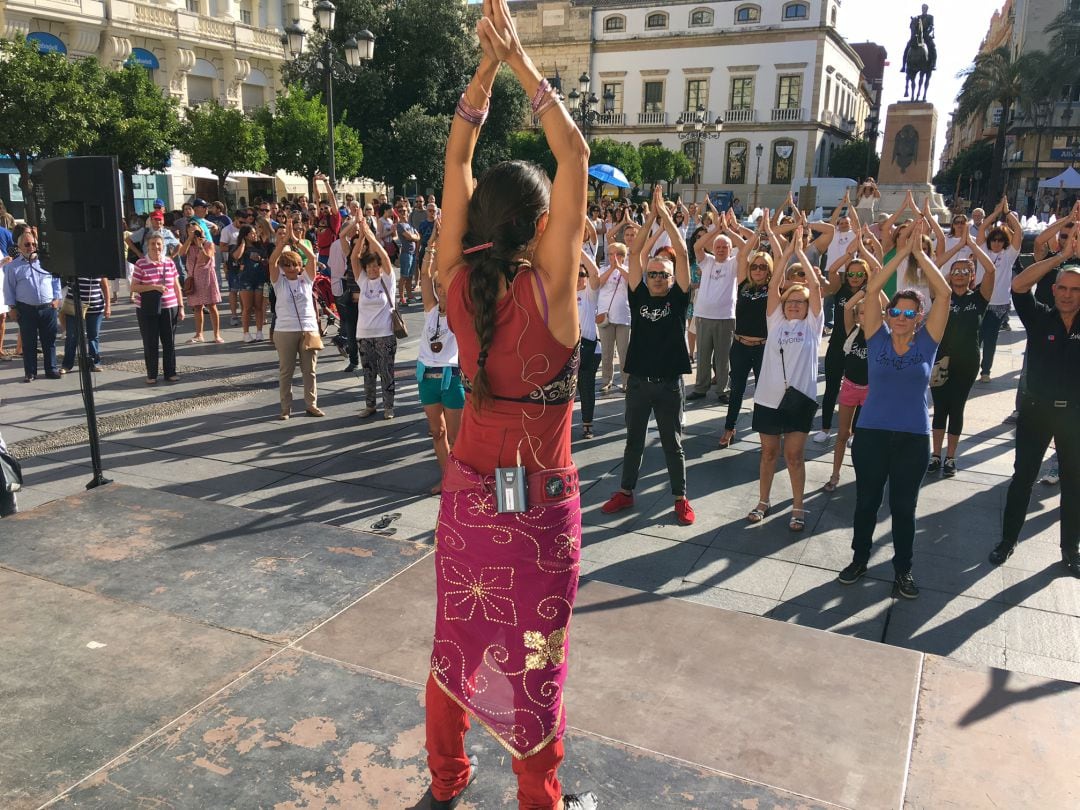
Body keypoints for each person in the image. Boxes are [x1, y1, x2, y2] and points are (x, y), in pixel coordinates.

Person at [424, 1, 597, 807]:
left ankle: (448, 778)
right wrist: (521, 58)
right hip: (539, 512)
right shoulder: (553, 293)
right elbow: (577, 151)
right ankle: (538, 800)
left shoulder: (459, 282)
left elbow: (456, 155)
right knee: (538, 657)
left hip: (466, 498)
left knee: (455, 643)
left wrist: (484, 70)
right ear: (540, 228)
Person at [838, 220, 951, 598]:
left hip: (913, 438)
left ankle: (903, 570)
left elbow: (945, 294)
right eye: (896, 313)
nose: (901, 319)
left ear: (919, 319)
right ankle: (859, 559)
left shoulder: (926, 344)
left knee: (904, 508)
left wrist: (920, 254)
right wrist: (899, 253)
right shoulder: (877, 338)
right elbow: (872, 289)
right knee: (866, 502)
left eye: (909, 314)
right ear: (888, 316)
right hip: (871, 434)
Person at [602, 186, 696, 526]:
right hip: (640, 382)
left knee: (673, 444)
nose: (657, 278)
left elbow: (683, 254)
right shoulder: (638, 295)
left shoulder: (679, 298)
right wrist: (650, 217)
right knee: (633, 442)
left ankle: (680, 498)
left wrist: (666, 216)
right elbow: (636, 251)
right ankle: (626, 492)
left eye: (663, 274)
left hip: (669, 383)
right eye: (653, 273)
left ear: (672, 279)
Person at [988, 233, 1080, 578]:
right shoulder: (1040, 317)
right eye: (1063, 288)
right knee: (1022, 478)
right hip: (1036, 411)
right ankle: (1007, 540)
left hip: (1075, 415)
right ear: (1054, 290)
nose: (1068, 295)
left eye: (1075, 290)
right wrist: (1061, 257)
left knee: (1074, 483)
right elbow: (1019, 285)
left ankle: (1070, 550)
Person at [747, 228, 823, 531]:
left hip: (800, 399)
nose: (794, 304)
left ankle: (797, 506)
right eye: (789, 300)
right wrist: (787, 252)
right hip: (768, 397)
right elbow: (776, 282)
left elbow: (815, 286)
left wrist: (800, 253)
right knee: (768, 453)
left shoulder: (813, 326)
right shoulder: (775, 321)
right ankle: (763, 501)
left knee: (794, 456)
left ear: (807, 307)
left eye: (800, 301)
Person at [928, 237, 996, 476]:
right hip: (941, 360)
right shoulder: (942, 296)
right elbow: (933, 266)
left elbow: (991, 270)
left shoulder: (978, 298)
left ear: (971, 277)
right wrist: (957, 247)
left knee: (956, 408)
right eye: (955, 271)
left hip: (967, 362)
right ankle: (935, 455)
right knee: (940, 408)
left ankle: (950, 458)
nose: (959, 274)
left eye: (965, 271)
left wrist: (973, 246)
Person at [416, 224, 465, 491]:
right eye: (438, 286)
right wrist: (432, 243)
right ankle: (447, 478)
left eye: (445, 286)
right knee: (437, 432)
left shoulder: (461, 311)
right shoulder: (430, 309)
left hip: (451, 377)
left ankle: (460, 479)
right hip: (426, 376)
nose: (441, 290)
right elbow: (424, 274)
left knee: (457, 437)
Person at [717, 228, 772, 449]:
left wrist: (770, 236)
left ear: (769, 270)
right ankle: (729, 428)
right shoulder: (742, 285)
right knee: (737, 390)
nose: (757, 270)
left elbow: (781, 255)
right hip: (740, 345)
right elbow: (742, 254)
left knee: (762, 391)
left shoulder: (773, 287)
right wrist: (757, 232)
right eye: (754, 266)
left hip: (762, 347)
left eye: (762, 266)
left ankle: (762, 431)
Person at [815, 234, 871, 444]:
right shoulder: (840, 290)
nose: (854, 277)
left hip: (860, 348)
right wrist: (848, 254)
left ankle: (854, 431)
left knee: (859, 389)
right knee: (831, 388)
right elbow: (830, 271)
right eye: (851, 274)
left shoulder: (870, 292)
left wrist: (863, 253)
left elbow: (878, 271)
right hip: (837, 345)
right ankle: (826, 427)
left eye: (859, 274)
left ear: (865, 276)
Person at [268, 226, 323, 419]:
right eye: (288, 265)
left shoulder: (306, 279)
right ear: (283, 267)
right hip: (284, 330)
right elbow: (272, 261)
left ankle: (311, 404)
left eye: (296, 265)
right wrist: (282, 243)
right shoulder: (278, 281)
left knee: (310, 371)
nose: (292, 268)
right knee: (286, 371)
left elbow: (313, 258)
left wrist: (297, 241)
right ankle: (286, 408)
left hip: (308, 329)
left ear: (300, 266)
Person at [688, 201, 738, 403]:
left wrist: (728, 230)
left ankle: (722, 390)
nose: (720, 249)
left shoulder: (734, 263)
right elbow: (697, 245)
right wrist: (716, 229)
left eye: (725, 246)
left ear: (730, 249)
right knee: (703, 355)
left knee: (723, 357)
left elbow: (747, 244)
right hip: (703, 315)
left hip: (726, 317)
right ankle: (701, 387)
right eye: (717, 246)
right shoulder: (706, 261)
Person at [824, 289, 871, 491]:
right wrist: (864, 291)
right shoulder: (852, 330)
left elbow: (888, 307)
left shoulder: (881, 334)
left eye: (870, 312)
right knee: (843, 433)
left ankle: (865, 475)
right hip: (850, 387)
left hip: (871, 392)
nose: (865, 316)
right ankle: (835, 474)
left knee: (865, 437)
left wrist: (875, 291)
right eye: (862, 312)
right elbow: (847, 306)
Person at [351, 218, 398, 419]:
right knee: (368, 372)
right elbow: (354, 259)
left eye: (375, 266)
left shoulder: (387, 280)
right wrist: (361, 237)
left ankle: (389, 407)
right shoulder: (363, 281)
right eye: (369, 266)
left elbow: (385, 257)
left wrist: (371, 236)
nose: (372, 269)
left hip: (384, 334)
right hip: (364, 334)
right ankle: (370, 405)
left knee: (386, 371)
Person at [3, 225, 63, 382]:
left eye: (33, 244)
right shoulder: (13, 267)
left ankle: (51, 369)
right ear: (19, 247)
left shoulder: (46, 263)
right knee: (29, 343)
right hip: (26, 309)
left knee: (49, 341)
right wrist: (12, 308)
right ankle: (30, 372)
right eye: (27, 244)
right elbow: (9, 289)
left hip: (48, 308)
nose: (31, 247)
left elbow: (56, 281)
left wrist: (57, 299)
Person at [974, 197, 1021, 382]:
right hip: (980, 300)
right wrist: (996, 212)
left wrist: (1007, 213)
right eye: (994, 239)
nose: (996, 243)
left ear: (1004, 242)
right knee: (975, 339)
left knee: (990, 338)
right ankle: (971, 367)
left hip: (998, 304)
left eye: (1000, 240)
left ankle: (986, 371)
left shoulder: (1009, 255)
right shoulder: (982, 250)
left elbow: (1018, 231)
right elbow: (983, 227)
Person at [131, 233, 185, 384]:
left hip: (169, 306)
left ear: (163, 245)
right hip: (147, 307)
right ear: (147, 246)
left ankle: (170, 372)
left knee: (169, 341)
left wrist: (181, 306)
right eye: (153, 244)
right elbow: (134, 287)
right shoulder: (140, 264)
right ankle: (152, 374)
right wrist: (153, 287)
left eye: (159, 244)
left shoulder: (169, 262)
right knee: (150, 342)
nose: (156, 247)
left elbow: (176, 286)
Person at [596, 239, 632, 392]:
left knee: (624, 352)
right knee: (607, 352)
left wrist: (619, 268)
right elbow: (598, 284)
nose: (613, 257)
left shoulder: (628, 269)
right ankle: (606, 381)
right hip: (606, 316)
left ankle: (626, 382)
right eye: (610, 254)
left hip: (623, 316)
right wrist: (612, 269)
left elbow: (632, 282)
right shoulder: (602, 269)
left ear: (622, 256)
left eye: (616, 254)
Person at [577, 247, 603, 439]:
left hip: (589, 348)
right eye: (576, 273)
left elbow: (595, 272)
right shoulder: (564, 292)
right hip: (567, 350)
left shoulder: (590, 293)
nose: (579, 277)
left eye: (582, 274)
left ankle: (587, 425)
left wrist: (578, 248)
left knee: (587, 387)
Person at [182, 227, 224, 343]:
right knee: (197, 307)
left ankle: (217, 335)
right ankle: (199, 334)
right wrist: (190, 239)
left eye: (197, 230)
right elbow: (181, 253)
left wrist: (200, 246)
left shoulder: (209, 244)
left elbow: (206, 258)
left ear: (203, 231)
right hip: (193, 278)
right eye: (191, 231)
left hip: (207, 278)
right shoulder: (189, 245)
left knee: (211, 305)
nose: (195, 233)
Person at [61, 276, 110, 373]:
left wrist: (108, 306)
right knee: (71, 336)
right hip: (74, 305)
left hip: (95, 306)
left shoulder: (99, 268)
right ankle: (66, 365)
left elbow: (105, 286)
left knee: (93, 336)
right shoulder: (73, 265)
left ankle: (95, 363)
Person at [230, 224, 268, 342]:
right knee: (247, 307)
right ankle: (246, 333)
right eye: (252, 233)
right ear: (245, 235)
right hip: (245, 279)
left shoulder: (260, 246)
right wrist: (243, 244)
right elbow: (236, 256)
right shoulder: (238, 247)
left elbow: (267, 260)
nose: (255, 235)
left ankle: (259, 332)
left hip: (260, 278)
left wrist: (260, 259)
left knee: (259, 307)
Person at [395, 200, 421, 303]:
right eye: (400, 211)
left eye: (404, 211)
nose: (402, 213)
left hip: (412, 253)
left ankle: (410, 296)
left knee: (410, 277)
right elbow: (409, 236)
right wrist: (414, 237)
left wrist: (413, 237)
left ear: (407, 211)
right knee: (404, 277)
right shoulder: (400, 225)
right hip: (406, 254)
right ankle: (402, 298)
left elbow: (418, 237)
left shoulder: (410, 225)